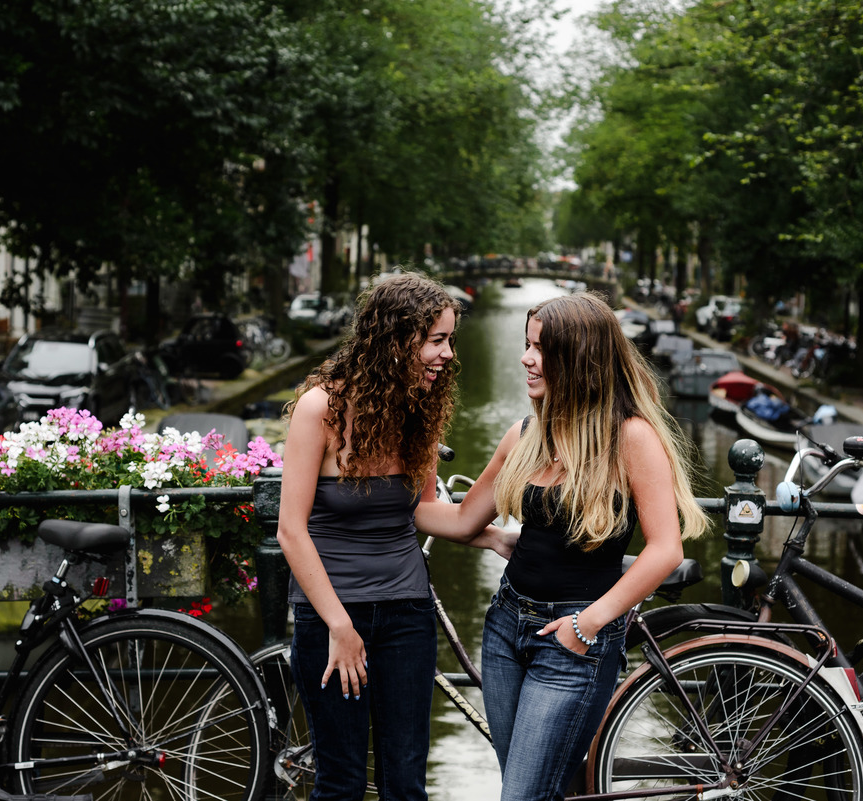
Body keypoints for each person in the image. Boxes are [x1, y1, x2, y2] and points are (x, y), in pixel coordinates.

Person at [414, 292, 708, 801]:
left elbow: (665, 550)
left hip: (574, 642)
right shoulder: (525, 435)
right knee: (529, 790)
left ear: (580, 358)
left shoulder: (631, 438)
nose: (526, 358)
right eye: (526, 345)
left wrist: (586, 624)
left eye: (540, 349)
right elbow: (459, 520)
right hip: (505, 627)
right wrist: (411, 446)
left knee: (522, 796)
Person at [277, 272, 513, 801]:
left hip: (407, 613)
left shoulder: (416, 410)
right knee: (339, 782)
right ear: (394, 338)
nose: (448, 354)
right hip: (333, 614)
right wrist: (339, 626)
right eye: (437, 340)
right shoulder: (323, 409)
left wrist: (494, 537)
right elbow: (291, 531)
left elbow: (427, 511)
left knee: (405, 783)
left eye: (450, 339)